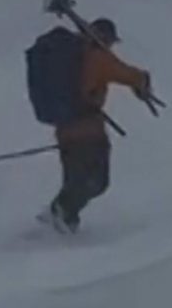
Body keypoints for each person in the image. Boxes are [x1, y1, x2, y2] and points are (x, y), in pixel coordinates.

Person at [47, 17, 152, 234]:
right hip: (89, 132)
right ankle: (60, 211)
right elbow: (126, 73)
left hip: (64, 131)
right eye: (111, 41)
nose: (112, 46)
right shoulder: (98, 57)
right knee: (97, 182)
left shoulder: (73, 55)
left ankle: (63, 222)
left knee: (75, 180)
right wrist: (143, 80)